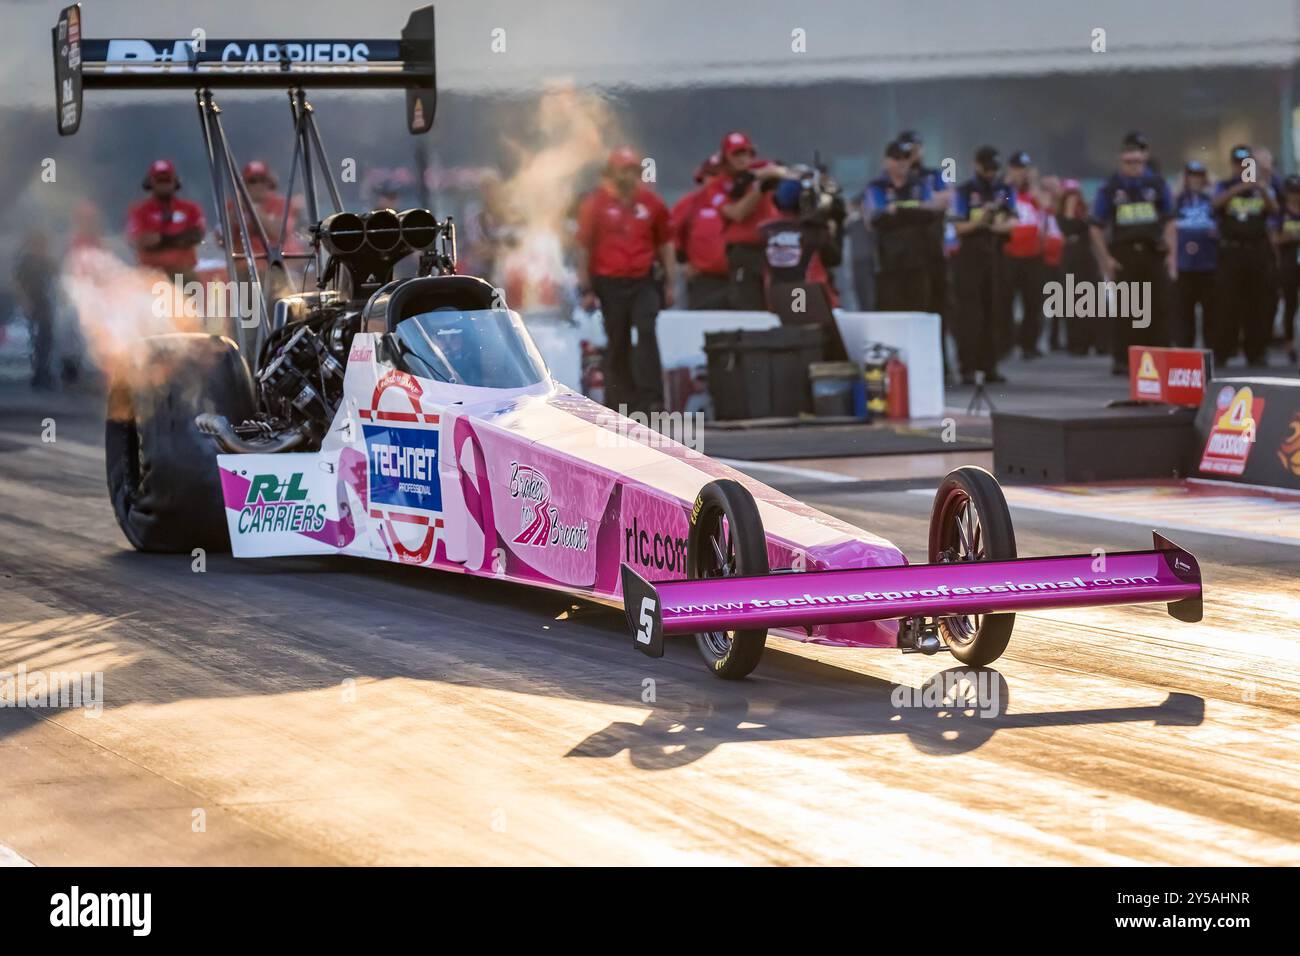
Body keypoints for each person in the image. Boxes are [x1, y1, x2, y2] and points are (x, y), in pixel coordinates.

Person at [575, 146, 676, 413]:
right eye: (624, 170)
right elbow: (584, 247)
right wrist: (586, 288)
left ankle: (652, 400)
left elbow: (666, 244)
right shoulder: (594, 204)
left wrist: (670, 283)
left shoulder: (652, 203)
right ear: (612, 173)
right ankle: (620, 402)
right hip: (609, 282)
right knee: (616, 339)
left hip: (643, 280)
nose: (630, 176)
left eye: (634, 171)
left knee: (646, 330)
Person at [1089, 132, 1175, 375]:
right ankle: (1124, 359)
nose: (1134, 167)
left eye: (1138, 162)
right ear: (1120, 161)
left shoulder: (1157, 185)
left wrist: (1171, 252)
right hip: (1124, 254)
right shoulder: (1110, 188)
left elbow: (1170, 220)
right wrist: (1105, 258)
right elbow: (1095, 226)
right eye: (1129, 162)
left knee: (1158, 307)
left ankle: (1159, 359)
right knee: (1128, 310)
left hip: (1152, 252)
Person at [759, 174, 846, 358]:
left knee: (794, 341)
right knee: (813, 344)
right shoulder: (814, 231)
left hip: (777, 296)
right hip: (807, 295)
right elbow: (834, 258)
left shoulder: (764, 230)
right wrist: (835, 227)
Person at [951, 145, 1017, 384]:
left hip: (996, 254)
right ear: (977, 165)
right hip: (970, 256)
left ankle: (990, 366)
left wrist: (993, 225)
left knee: (994, 311)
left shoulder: (1005, 190)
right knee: (969, 314)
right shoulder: (965, 192)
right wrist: (981, 222)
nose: (990, 173)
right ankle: (967, 367)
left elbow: (1013, 221)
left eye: (994, 169)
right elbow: (958, 226)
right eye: (987, 168)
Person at [1212, 144, 1278, 366]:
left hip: (1256, 250)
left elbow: (1274, 209)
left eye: (1246, 163)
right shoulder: (1225, 185)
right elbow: (1215, 204)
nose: (1242, 167)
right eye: (1238, 163)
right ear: (1232, 165)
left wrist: (1258, 187)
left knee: (1258, 303)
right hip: (1231, 251)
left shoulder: (1262, 187)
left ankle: (1256, 351)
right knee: (1227, 303)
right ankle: (1223, 351)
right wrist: (1239, 188)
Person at [898, 130, 953, 362]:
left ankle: (941, 361)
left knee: (937, 305)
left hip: (933, 249)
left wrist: (915, 207)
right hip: (905, 254)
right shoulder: (896, 178)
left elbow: (947, 199)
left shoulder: (933, 174)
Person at [714, 131, 786, 310]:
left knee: (782, 299)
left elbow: (783, 172)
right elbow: (737, 213)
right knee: (748, 303)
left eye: (745, 153)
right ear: (726, 158)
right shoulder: (718, 186)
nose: (742, 159)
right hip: (744, 252)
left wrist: (762, 175)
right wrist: (759, 188)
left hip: (773, 246)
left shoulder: (760, 170)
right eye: (736, 154)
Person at [866, 139, 936, 311]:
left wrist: (898, 210)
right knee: (890, 309)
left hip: (917, 261)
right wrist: (911, 211)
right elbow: (877, 218)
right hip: (888, 263)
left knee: (918, 309)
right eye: (897, 158)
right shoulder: (877, 187)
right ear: (886, 161)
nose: (902, 162)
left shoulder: (919, 184)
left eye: (906, 157)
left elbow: (929, 213)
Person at [126, 159, 206, 281]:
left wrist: (160, 240)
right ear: (150, 182)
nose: (163, 184)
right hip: (151, 274)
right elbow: (138, 241)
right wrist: (178, 239)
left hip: (183, 273)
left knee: (192, 285)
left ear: (175, 181)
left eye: (167, 179)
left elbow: (196, 235)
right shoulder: (139, 211)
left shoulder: (191, 208)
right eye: (159, 180)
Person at [670, 153, 730, 309]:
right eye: (711, 174)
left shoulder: (744, 202)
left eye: (720, 174)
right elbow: (669, 237)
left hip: (740, 280)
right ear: (702, 177)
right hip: (704, 281)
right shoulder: (689, 204)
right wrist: (682, 265)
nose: (716, 179)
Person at [1002, 151, 1047, 358]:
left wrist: (1034, 184)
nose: (1021, 174)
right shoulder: (1006, 191)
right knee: (1005, 301)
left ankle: (1029, 344)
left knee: (1033, 302)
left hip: (1033, 256)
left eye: (1024, 169)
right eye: (1018, 169)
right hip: (1009, 255)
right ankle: (1006, 343)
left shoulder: (1035, 193)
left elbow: (1048, 206)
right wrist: (1009, 183)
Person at [1172, 160, 1218, 349]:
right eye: (1191, 176)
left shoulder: (1211, 200)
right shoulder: (1178, 200)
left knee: (1211, 311)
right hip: (1184, 264)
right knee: (1184, 311)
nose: (1195, 180)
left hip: (1208, 263)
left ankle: (1212, 349)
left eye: (1199, 176)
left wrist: (1211, 187)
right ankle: (1184, 349)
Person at [1057, 180, 1103, 355]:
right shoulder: (1060, 215)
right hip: (1070, 261)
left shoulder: (1087, 214)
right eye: (1069, 195)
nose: (1072, 198)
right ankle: (1076, 343)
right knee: (1071, 303)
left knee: (1092, 303)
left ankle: (1096, 341)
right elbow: (1067, 228)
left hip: (1087, 259)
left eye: (1075, 194)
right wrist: (1069, 207)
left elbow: (1093, 231)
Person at [13, 230, 58, 390]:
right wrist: (25, 301)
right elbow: (18, 283)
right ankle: (39, 375)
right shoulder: (26, 261)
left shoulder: (45, 260)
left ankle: (43, 373)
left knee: (46, 338)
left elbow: (56, 276)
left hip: (44, 302)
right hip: (34, 301)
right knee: (37, 339)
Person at [1273, 174, 1300, 364]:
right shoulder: (1281, 212)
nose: (1296, 196)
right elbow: (1275, 239)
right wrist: (1291, 236)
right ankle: (1290, 344)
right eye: (1292, 192)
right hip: (1288, 263)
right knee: (1290, 304)